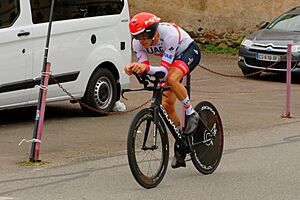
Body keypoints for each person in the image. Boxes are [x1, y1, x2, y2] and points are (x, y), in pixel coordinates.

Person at [124, 12, 201, 168]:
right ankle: (183, 140)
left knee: (171, 79)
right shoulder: (137, 43)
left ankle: (191, 113)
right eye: (136, 37)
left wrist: (145, 67)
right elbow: (145, 68)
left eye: (143, 36)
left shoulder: (170, 35)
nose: (140, 41)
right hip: (172, 58)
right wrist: (134, 69)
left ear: (152, 31)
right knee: (166, 105)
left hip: (188, 52)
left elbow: (165, 71)